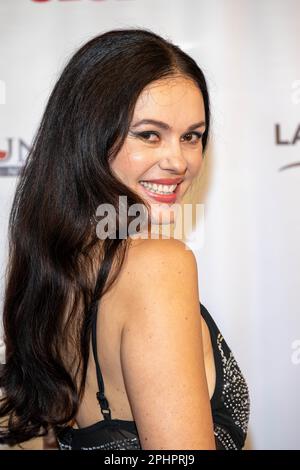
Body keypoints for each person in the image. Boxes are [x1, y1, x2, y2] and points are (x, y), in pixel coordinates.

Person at [0, 28, 250, 450]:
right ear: (88, 137)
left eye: (191, 136)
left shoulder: (57, 271)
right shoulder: (157, 263)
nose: (178, 161)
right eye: (150, 134)